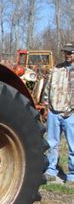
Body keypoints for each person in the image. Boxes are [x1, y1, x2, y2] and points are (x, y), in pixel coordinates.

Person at [42, 43, 74, 187]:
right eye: (65, 52)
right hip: (54, 112)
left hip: (70, 114)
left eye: (70, 53)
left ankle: (72, 176)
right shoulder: (56, 69)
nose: (67, 55)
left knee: (72, 146)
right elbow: (48, 87)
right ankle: (51, 170)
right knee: (52, 143)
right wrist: (46, 104)